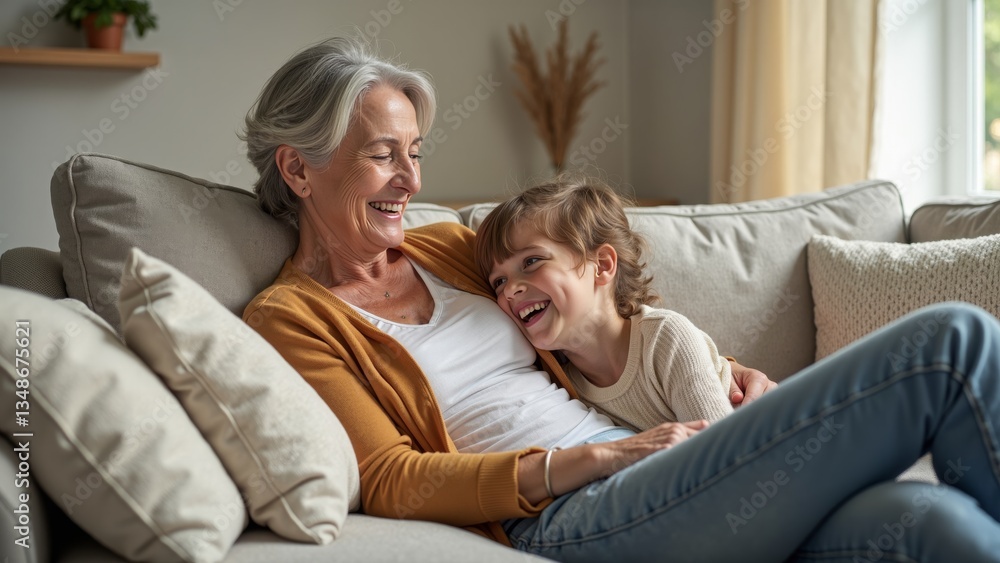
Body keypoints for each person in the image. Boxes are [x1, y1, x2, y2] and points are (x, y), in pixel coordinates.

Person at [241, 37, 1000, 562]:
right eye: (382, 156)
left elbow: (576, 301)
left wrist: (729, 369)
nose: (411, 180)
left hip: (657, 474)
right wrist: (598, 454)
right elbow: (393, 479)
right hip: (573, 513)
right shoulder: (293, 316)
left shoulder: (442, 247)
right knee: (952, 342)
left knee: (934, 523)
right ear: (299, 171)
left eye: (415, 154)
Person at [474, 179, 733, 430]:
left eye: (531, 262)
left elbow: (721, 458)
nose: (509, 289)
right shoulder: (554, 383)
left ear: (602, 265)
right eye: (499, 281)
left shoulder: (665, 339)